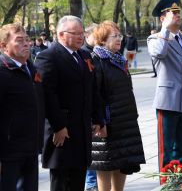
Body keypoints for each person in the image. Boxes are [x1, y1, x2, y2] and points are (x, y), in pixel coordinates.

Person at [35, 15, 104, 191]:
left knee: (78, 177)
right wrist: (58, 126)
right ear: (61, 34)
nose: (81, 37)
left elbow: (92, 89)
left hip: (81, 127)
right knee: (61, 179)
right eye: (76, 33)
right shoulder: (48, 56)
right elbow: (48, 95)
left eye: (82, 33)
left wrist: (98, 118)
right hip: (62, 129)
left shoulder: (84, 55)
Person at [90, 21, 145, 191]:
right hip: (108, 122)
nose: (119, 39)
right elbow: (95, 95)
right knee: (106, 164)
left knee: (123, 162)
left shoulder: (119, 59)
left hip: (125, 120)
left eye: (119, 35)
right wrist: (100, 122)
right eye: (114, 36)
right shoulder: (97, 60)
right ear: (102, 40)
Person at [147, 0, 182, 170]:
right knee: (166, 147)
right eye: (172, 12)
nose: (177, 15)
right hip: (167, 101)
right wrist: (166, 30)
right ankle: (166, 181)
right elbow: (159, 53)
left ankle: (181, 177)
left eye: (178, 12)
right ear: (163, 18)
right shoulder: (155, 39)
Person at [0, 23, 45, 191]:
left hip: (30, 149)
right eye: (19, 40)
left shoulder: (30, 68)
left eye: (27, 39)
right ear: (3, 46)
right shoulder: (2, 71)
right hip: (8, 153)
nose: (26, 43)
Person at [81, 22, 98, 191]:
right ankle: (91, 183)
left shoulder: (96, 52)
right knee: (91, 149)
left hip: (96, 109)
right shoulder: (85, 54)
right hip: (87, 111)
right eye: (96, 34)